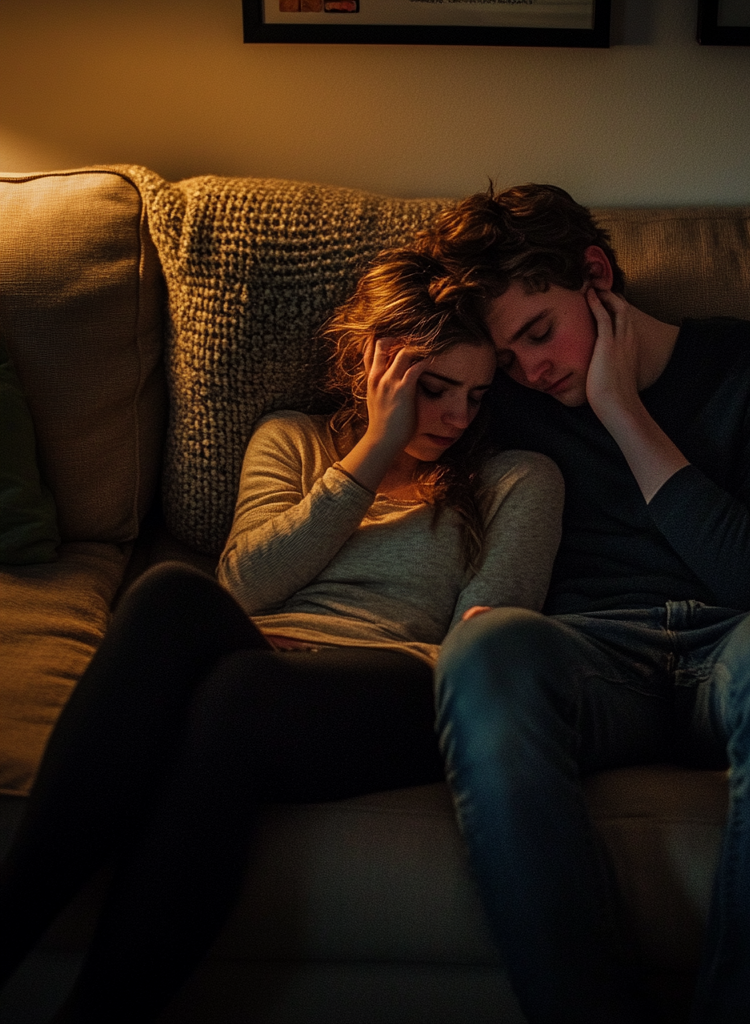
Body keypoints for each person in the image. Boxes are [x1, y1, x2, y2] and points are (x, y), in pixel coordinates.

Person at [0, 248, 563, 1024]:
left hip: (408, 682)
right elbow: (243, 585)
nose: (458, 418)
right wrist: (372, 451)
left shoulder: (517, 479)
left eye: (474, 395)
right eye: (433, 390)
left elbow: (487, 633)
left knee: (239, 690)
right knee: (169, 592)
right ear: (375, 365)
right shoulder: (292, 441)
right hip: (257, 658)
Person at [418, 184, 750, 1024]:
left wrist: (622, 410)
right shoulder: (506, 401)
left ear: (596, 273)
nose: (533, 371)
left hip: (738, 646)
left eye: (539, 333)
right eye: (507, 357)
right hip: (586, 659)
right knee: (483, 651)